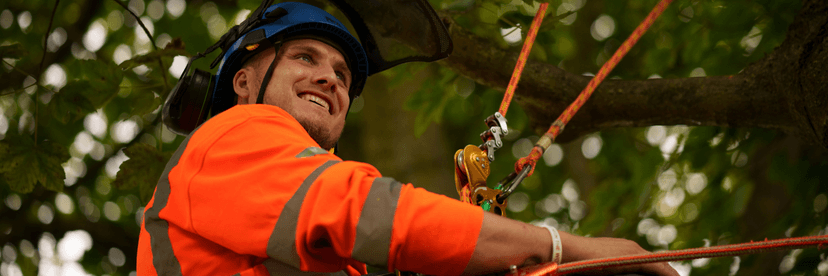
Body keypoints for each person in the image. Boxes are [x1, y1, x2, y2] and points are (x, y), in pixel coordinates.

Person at [137, 2, 679, 276]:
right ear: (245, 80)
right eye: (305, 57)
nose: (330, 78)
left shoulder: (287, 218)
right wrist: (564, 247)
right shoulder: (234, 133)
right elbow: (368, 212)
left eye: (343, 76)